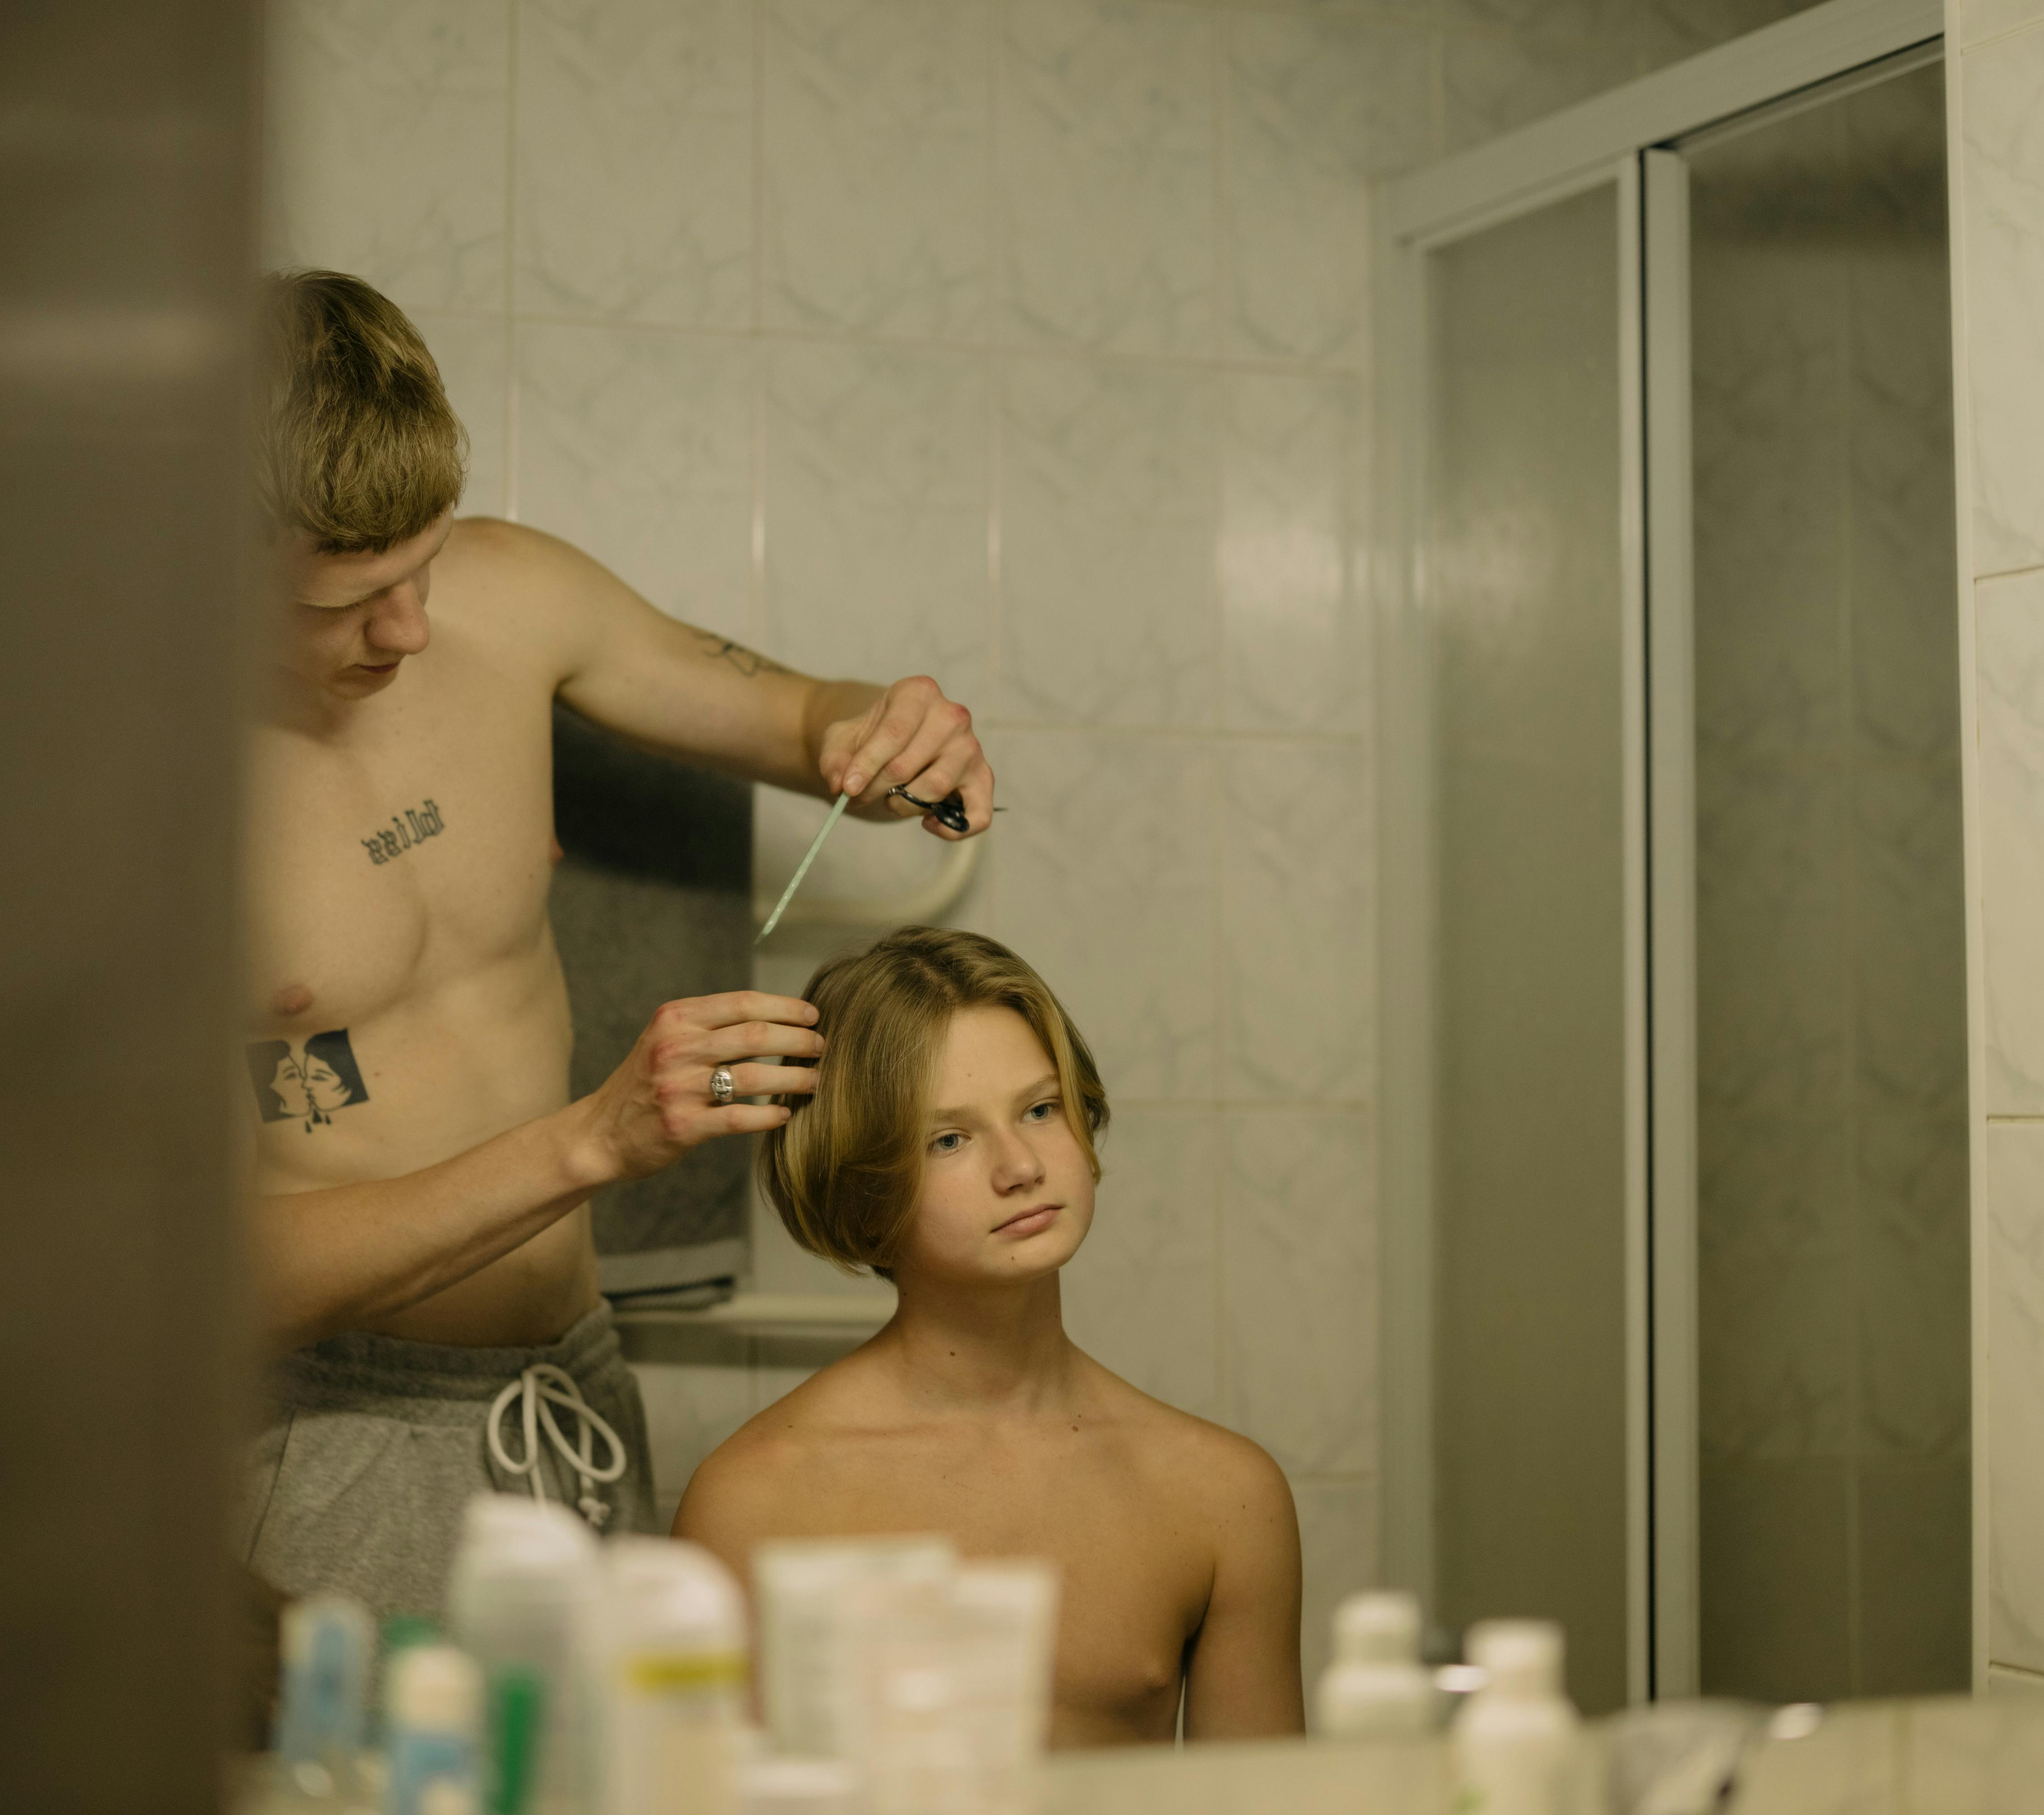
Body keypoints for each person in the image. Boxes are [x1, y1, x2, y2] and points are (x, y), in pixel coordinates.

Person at [236, 271, 995, 1621]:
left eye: (425, 568)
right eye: (343, 602)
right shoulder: (114, 812)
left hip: (574, 1379)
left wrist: (879, 732)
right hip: (315, 1429)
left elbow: (803, 715)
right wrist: (590, 1143)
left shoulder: (511, 593)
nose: (411, 632)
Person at [674, 928, 1305, 1746]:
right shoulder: (754, 1499)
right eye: (950, 1139)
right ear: (861, 1191)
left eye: (1040, 1110)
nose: (1021, 1166)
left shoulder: (1223, 1496)